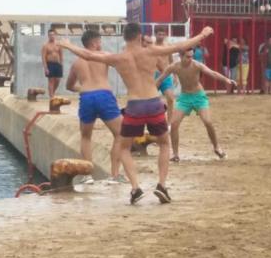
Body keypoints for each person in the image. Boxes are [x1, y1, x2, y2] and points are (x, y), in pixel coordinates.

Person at [58, 23, 214, 205]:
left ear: (124, 38)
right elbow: (180, 46)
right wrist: (203, 34)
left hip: (134, 106)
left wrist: (68, 45)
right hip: (154, 102)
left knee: (124, 147)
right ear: (140, 36)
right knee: (164, 143)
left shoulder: (118, 57)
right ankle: (162, 185)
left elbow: (88, 54)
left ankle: (135, 188)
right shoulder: (151, 51)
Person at [66, 30, 125, 185]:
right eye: (100, 41)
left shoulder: (77, 63)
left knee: (86, 137)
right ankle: (115, 175)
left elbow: (69, 86)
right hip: (104, 95)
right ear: (94, 43)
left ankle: (87, 176)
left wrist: (85, 88)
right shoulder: (104, 55)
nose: (101, 43)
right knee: (120, 134)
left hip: (86, 97)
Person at [156, 48, 235, 162]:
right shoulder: (174, 67)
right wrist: (148, 92)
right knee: (174, 124)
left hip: (199, 96)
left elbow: (212, 73)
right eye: (188, 57)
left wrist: (226, 79)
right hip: (184, 98)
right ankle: (175, 154)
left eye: (191, 56)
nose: (190, 59)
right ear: (181, 56)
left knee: (207, 121)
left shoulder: (197, 65)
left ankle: (217, 147)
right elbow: (160, 79)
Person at [152, 28, 177, 126]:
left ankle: (169, 123)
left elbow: (171, 61)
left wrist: (175, 75)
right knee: (150, 99)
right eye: (159, 34)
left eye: (163, 34)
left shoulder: (167, 46)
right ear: (155, 35)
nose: (161, 36)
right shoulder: (152, 47)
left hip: (166, 75)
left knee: (170, 98)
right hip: (154, 75)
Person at [41, 29, 64, 97]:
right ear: (48, 36)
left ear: (55, 35)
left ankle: (52, 93)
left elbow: (61, 55)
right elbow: (43, 57)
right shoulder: (45, 45)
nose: (52, 36)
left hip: (58, 64)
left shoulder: (58, 44)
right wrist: (46, 68)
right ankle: (51, 96)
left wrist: (61, 65)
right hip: (50, 64)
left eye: (53, 35)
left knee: (58, 80)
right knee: (51, 81)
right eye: (50, 35)